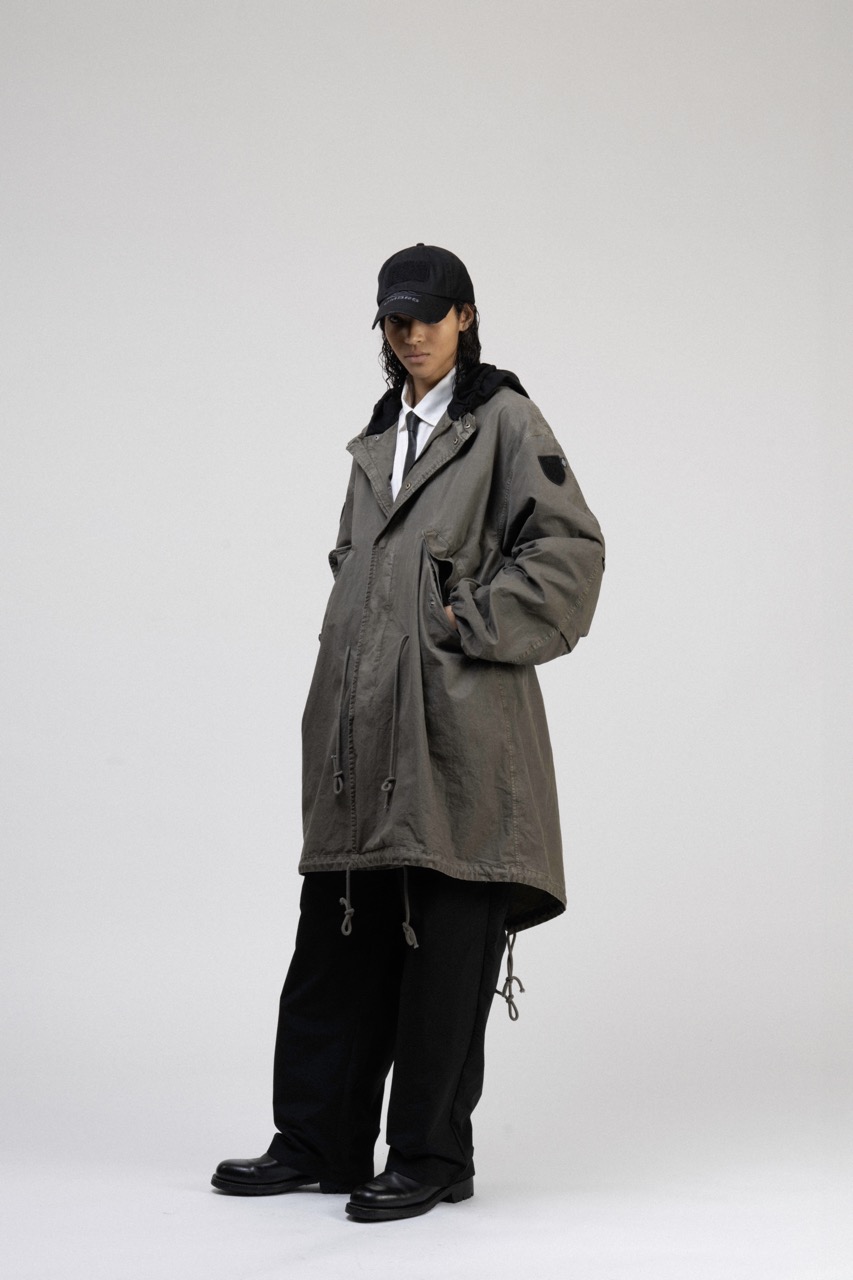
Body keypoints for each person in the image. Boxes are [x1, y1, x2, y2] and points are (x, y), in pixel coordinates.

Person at [211, 243, 605, 1222]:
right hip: (360, 735)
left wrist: (463, 621)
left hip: (459, 737)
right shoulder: (378, 436)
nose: (411, 332)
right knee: (336, 938)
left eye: (429, 315)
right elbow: (357, 563)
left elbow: (569, 551)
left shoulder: (503, 420)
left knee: (445, 947)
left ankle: (430, 1155)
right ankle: (319, 1139)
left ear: (464, 316)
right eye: (395, 318)